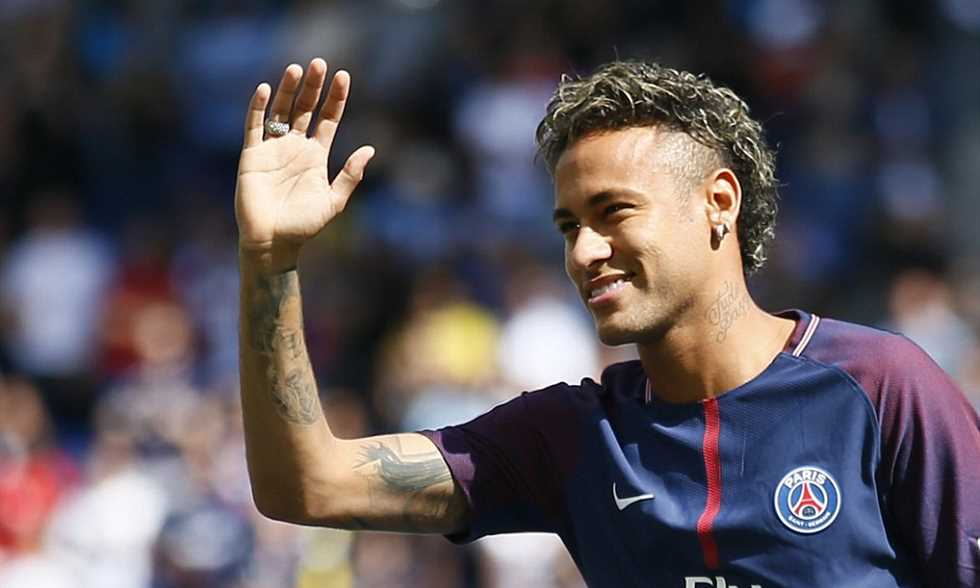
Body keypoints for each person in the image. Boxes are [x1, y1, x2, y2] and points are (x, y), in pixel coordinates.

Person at [235, 57, 980, 587]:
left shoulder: (879, 387)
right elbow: (307, 484)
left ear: (719, 203)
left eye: (613, 211)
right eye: (568, 227)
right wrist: (270, 260)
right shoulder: (572, 437)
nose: (584, 252)